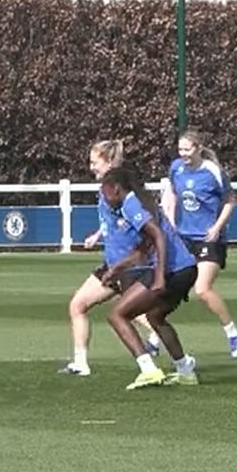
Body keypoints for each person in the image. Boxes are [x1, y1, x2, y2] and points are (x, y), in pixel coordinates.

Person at [58, 139, 161, 377]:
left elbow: (140, 217)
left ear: (109, 161)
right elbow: (113, 221)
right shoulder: (107, 186)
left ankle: (174, 357)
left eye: (95, 162)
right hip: (113, 263)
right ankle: (80, 363)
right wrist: (98, 234)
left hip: (127, 264)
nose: (91, 166)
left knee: (125, 313)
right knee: (79, 305)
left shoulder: (119, 187)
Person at [99, 167, 200, 390]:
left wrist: (160, 276)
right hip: (188, 269)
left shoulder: (131, 204)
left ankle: (149, 369)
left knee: (117, 315)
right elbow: (145, 247)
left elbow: (158, 235)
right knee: (155, 316)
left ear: (116, 188)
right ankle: (185, 371)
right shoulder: (138, 203)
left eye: (105, 192)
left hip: (174, 270)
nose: (105, 199)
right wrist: (117, 269)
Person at [161, 130, 237, 358]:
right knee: (169, 290)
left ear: (198, 148)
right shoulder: (176, 167)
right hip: (184, 239)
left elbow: (230, 200)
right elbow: (173, 193)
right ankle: (154, 338)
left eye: (187, 149)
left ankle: (233, 334)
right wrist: (170, 219)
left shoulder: (212, 171)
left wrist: (217, 228)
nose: (183, 154)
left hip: (208, 239)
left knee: (202, 290)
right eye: (180, 150)